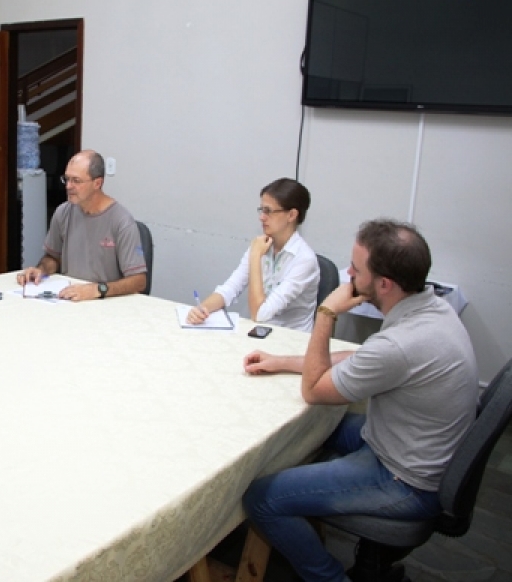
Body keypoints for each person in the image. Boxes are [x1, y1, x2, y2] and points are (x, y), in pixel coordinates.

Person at [241, 219, 478, 582]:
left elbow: (314, 390)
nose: (348, 273)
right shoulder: (430, 308)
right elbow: (361, 359)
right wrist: (282, 362)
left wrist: (327, 313)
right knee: (302, 430)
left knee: (262, 498)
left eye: (356, 268)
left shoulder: (401, 344)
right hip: (409, 445)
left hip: (404, 479)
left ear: (384, 284)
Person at [188, 178, 319, 332]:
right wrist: (203, 309)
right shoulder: (261, 244)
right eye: (262, 210)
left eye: (268, 211)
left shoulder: (305, 260)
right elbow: (231, 288)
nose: (262, 217)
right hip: (260, 332)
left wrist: (256, 257)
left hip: (291, 341)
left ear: (291, 215)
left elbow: (260, 313)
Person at [17, 150, 147, 301]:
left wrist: (98, 289)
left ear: (97, 183)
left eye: (76, 181)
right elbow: (53, 258)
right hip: (68, 297)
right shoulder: (63, 212)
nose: (68, 186)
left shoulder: (122, 221)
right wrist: (41, 270)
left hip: (104, 301)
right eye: (67, 179)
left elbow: (139, 281)